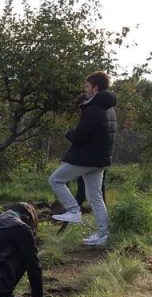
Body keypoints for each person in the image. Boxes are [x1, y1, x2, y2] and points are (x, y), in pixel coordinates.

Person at [50, 71, 117, 247]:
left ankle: (73, 210)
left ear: (95, 87)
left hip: (87, 158)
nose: (85, 90)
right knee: (95, 197)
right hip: (100, 159)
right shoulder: (108, 108)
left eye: (87, 86)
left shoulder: (93, 109)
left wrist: (67, 132)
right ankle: (102, 235)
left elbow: (80, 136)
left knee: (55, 179)